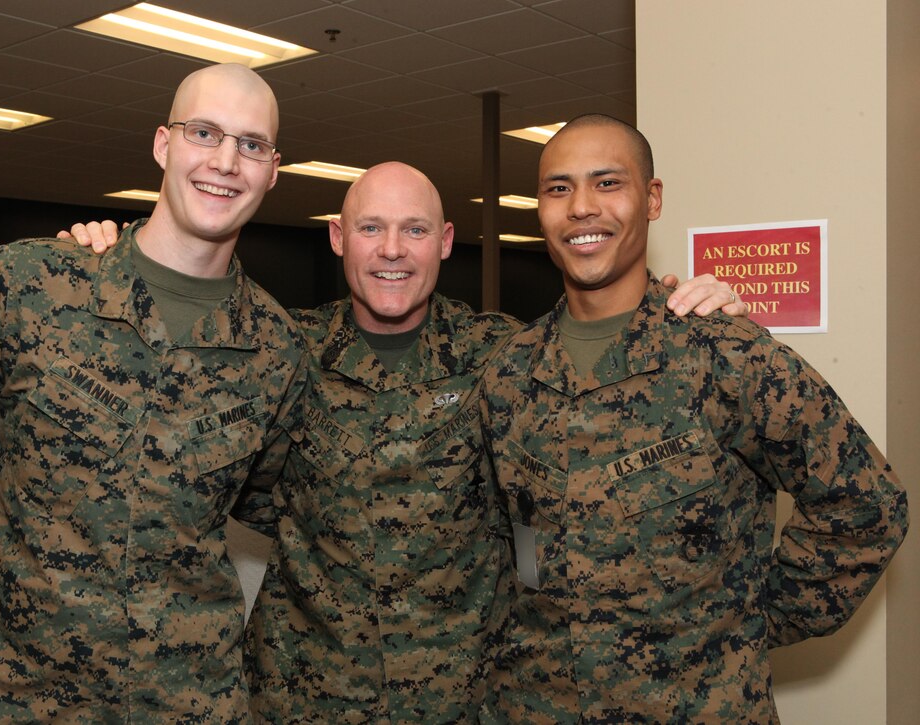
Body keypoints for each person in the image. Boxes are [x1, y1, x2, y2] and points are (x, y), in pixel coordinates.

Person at [66, 161, 744, 721]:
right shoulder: (275, 347)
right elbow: (179, 410)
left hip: (465, 696)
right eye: (372, 229)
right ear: (338, 238)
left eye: (414, 230)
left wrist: (692, 303)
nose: (392, 249)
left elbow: (604, 371)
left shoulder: (505, 354)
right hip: (304, 695)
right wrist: (106, 257)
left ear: (445, 241)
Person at [0, 63, 307, 723]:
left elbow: (279, 503)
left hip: (190, 700)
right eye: (204, 132)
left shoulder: (276, 347)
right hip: (29, 696)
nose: (226, 160)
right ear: (163, 145)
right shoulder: (33, 284)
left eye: (252, 145)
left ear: (271, 170)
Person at [478, 114, 909, 723]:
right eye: (558, 188)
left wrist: (744, 624)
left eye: (607, 183)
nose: (581, 208)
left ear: (651, 200)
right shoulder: (508, 374)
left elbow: (868, 506)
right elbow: (500, 546)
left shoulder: (727, 357)